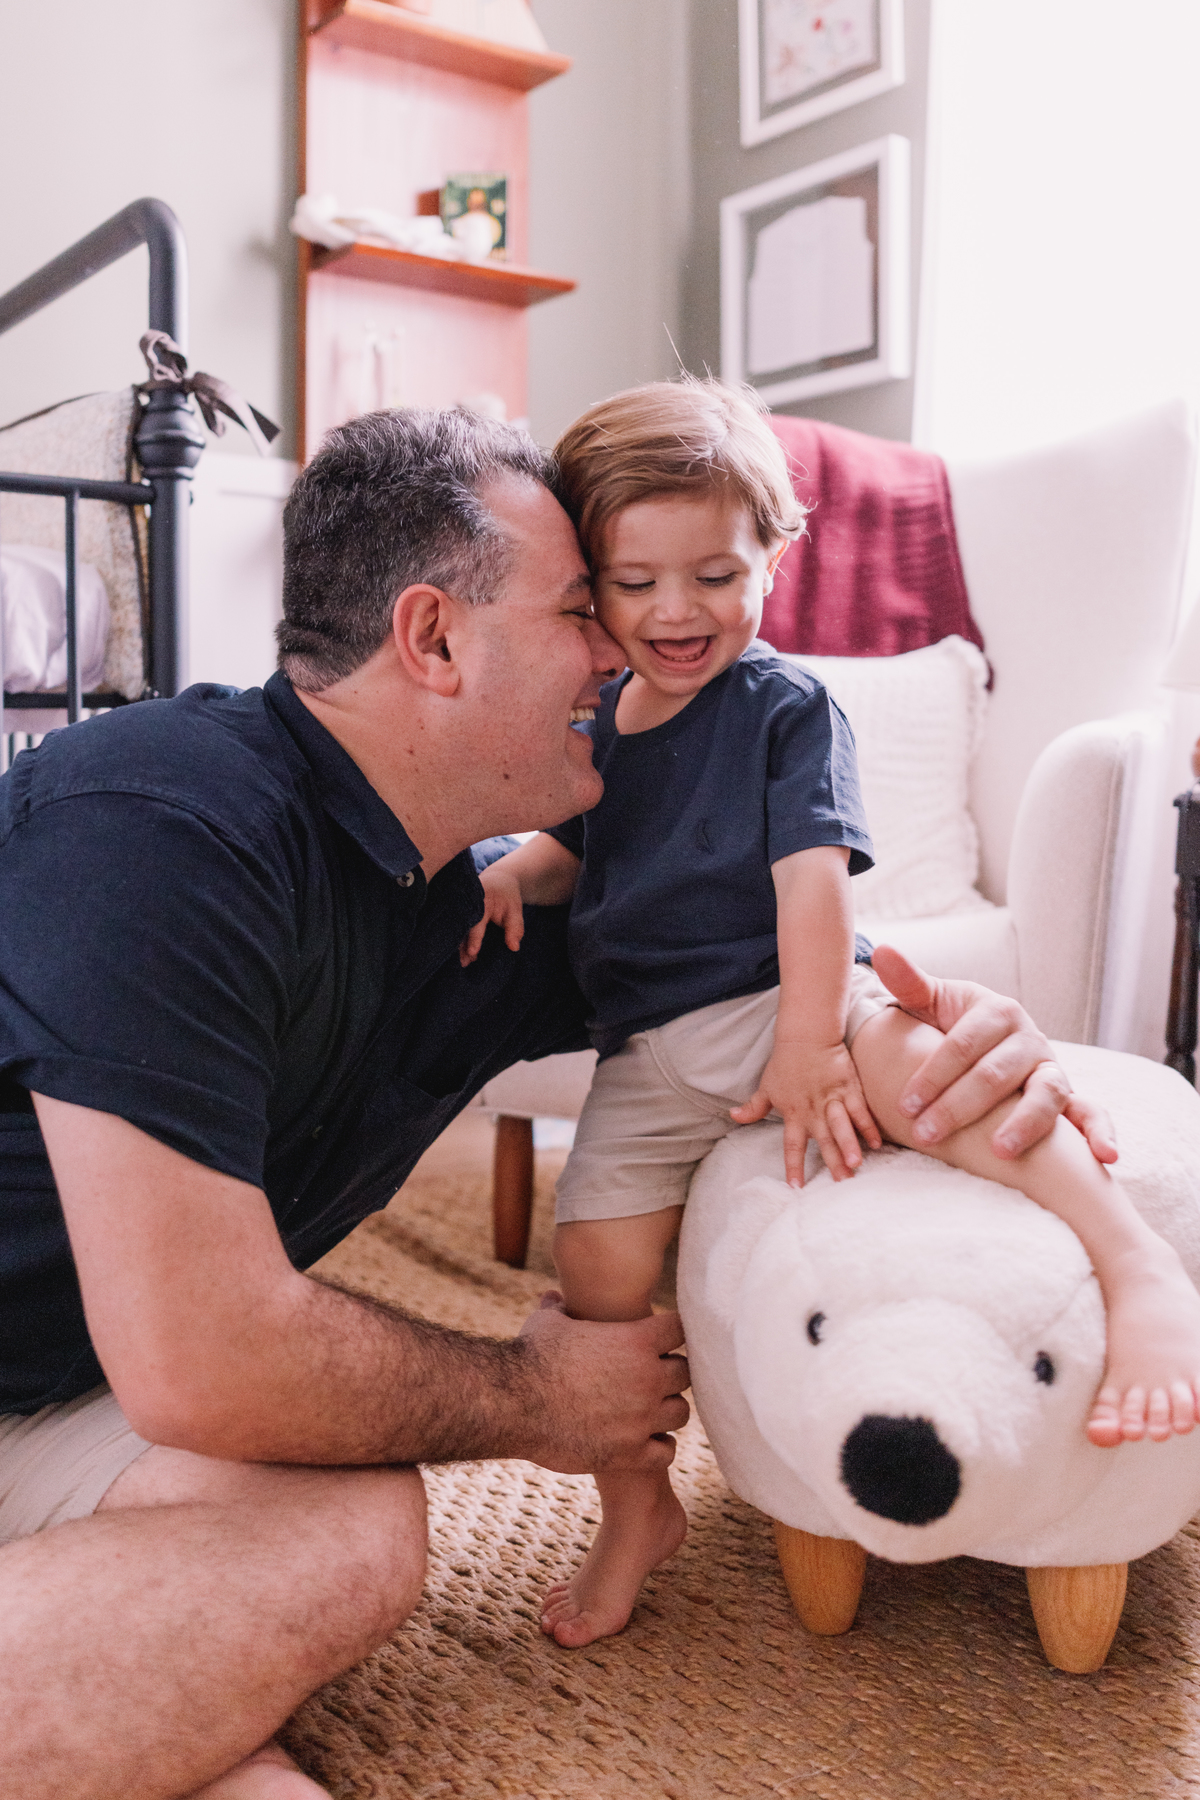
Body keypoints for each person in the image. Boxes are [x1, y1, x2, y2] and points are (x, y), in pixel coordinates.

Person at [0, 406, 1109, 1800]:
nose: (619, 650)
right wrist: (537, 1395)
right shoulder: (163, 820)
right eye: (584, 606)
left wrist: (937, 1031)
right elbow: (202, 1349)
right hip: (125, 1364)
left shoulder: (479, 916)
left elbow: (742, 987)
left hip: (61, 1393)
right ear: (435, 639)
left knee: (357, 1537)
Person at [462, 378, 1200, 1653]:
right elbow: (586, 848)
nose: (678, 612)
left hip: (785, 995)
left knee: (939, 1086)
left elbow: (811, 892)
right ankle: (637, 1505)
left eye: (715, 573)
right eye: (637, 584)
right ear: (594, 584)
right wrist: (511, 874)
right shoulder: (601, 719)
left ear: (774, 555)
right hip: (648, 1052)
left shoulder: (784, 709)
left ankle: (1133, 1263)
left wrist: (812, 1044)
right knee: (594, 1286)